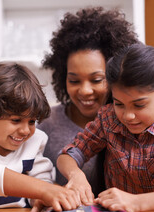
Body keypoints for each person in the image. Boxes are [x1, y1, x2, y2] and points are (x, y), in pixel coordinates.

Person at [57, 44, 154, 212]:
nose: (128, 116)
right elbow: (67, 155)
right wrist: (75, 175)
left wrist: (136, 202)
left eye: (139, 105)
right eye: (119, 103)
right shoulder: (108, 118)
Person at [0, 62, 80, 212]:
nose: (25, 131)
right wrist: (44, 190)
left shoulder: (34, 140)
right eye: (16, 120)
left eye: (32, 121)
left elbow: (41, 179)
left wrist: (41, 199)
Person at [37, 7, 139, 199]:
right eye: (74, 81)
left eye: (96, 79)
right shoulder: (46, 125)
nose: (84, 90)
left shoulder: (134, 121)